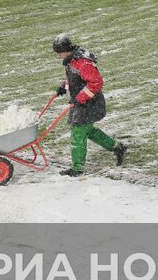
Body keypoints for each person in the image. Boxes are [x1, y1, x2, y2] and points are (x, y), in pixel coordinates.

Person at [51, 34, 126, 177]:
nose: (59, 56)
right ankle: (117, 147)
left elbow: (96, 83)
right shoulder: (72, 60)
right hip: (82, 102)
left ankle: (77, 168)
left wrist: (80, 98)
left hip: (89, 103)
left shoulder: (83, 63)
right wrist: (64, 86)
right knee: (88, 131)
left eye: (59, 53)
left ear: (66, 49)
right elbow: (75, 80)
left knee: (77, 134)